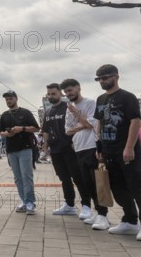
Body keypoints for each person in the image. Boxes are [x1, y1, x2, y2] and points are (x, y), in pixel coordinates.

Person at [93, 64, 141, 238]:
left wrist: (129, 147)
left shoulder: (127, 97)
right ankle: (130, 220)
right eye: (99, 78)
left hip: (126, 150)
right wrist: (99, 145)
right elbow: (99, 123)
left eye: (105, 77)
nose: (102, 81)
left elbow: (135, 121)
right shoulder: (100, 99)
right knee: (118, 187)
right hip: (108, 150)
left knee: (136, 185)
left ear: (116, 76)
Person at [61, 78, 110, 230]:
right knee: (87, 183)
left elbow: (90, 124)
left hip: (92, 147)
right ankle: (97, 212)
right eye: (66, 92)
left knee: (99, 182)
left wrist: (76, 113)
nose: (68, 94)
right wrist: (80, 125)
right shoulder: (68, 109)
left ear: (78, 88)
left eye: (70, 90)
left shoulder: (90, 103)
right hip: (79, 148)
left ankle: (103, 215)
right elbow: (67, 131)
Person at [43, 83, 90, 216]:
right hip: (56, 150)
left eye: (54, 93)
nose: (51, 96)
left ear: (60, 94)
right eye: (49, 94)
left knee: (78, 177)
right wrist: (45, 146)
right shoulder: (48, 112)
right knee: (64, 178)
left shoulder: (68, 107)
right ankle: (69, 205)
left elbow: (79, 124)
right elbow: (46, 130)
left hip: (70, 149)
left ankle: (86, 205)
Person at [0, 91, 40, 215]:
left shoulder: (25, 113)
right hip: (11, 149)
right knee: (17, 178)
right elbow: (0, 132)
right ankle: (23, 200)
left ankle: (30, 202)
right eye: (6, 99)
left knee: (26, 176)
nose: (8, 101)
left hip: (25, 148)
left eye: (10, 98)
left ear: (16, 99)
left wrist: (21, 128)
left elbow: (36, 128)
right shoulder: (4, 115)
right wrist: (9, 133)